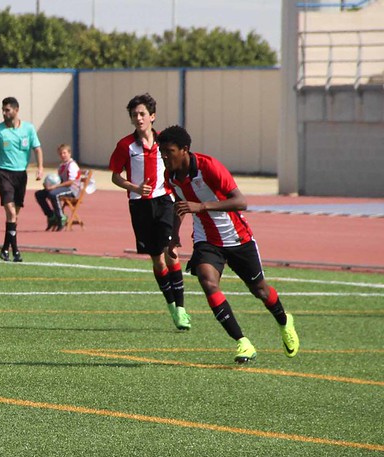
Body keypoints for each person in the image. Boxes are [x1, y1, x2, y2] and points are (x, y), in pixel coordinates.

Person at [156, 125, 300, 364]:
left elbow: (240, 201)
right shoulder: (170, 176)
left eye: (169, 151)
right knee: (207, 281)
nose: (164, 157)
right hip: (206, 239)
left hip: (237, 237)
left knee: (260, 290)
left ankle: (285, 321)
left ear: (184, 150)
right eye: (162, 152)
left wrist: (201, 207)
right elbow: (181, 206)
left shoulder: (208, 167)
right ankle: (243, 343)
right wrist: (173, 237)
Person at [108, 93, 190, 332]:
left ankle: (182, 309)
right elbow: (115, 176)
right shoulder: (125, 146)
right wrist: (134, 187)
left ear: (152, 116)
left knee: (170, 251)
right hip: (139, 205)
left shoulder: (164, 142)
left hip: (165, 200)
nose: (139, 118)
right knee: (157, 259)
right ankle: (172, 306)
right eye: (134, 115)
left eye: (142, 114)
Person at [0, 96, 44, 262]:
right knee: (10, 211)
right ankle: (16, 251)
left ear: (16, 110)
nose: (4, 113)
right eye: (3, 110)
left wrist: (40, 168)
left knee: (14, 216)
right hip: (4, 173)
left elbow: (37, 148)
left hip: (21, 175)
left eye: (7, 110)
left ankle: (5, 248)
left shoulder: (28, 129)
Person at [35, 143, 81, 231]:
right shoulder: (61, 166)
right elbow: (58, 179)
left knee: (53, 194)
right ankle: (51, 215)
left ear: (69, 153)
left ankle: (61, 217)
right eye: (60, 154)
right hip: (62, 188)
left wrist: (55, 186)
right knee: (39, 194)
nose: (62, 155)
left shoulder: (72, 165)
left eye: (64, 153)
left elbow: (71, 182)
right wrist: (48, 185)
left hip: (72, 190)